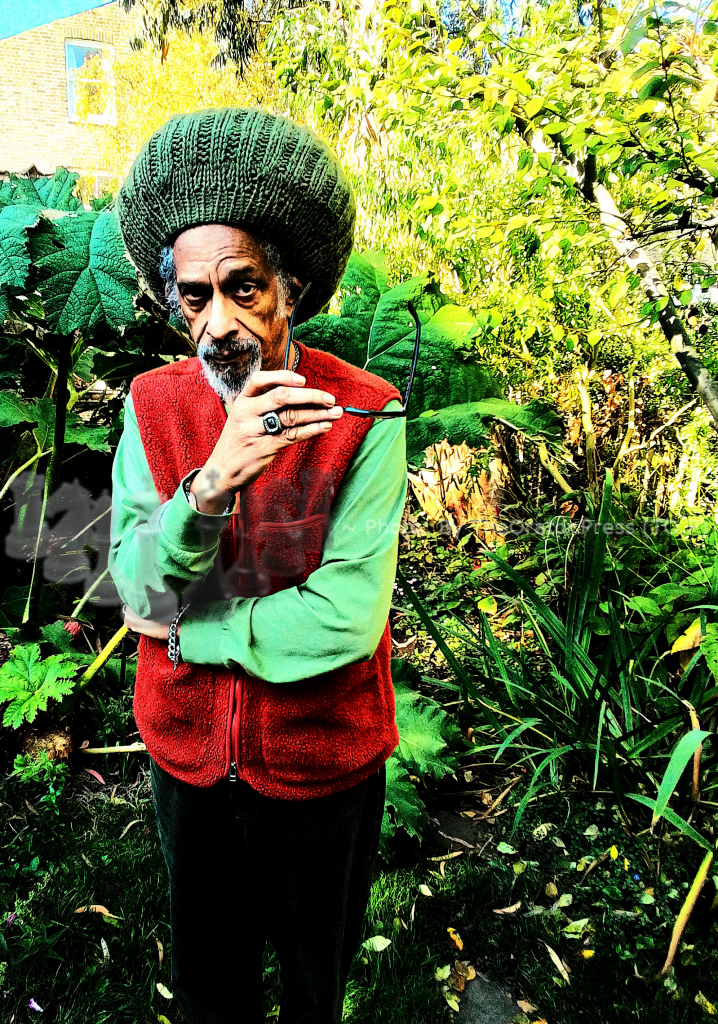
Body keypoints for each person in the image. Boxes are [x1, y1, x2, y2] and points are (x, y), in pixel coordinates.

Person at [108, 107, 407, 1024]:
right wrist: (210, 486)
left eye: (244, 287)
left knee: (315, 985)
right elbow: (135, 583)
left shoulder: (365, 412)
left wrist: (189, 633)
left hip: (323, 763)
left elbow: (345, 615)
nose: (219, 323)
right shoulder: (152, 406)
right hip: (189, 760)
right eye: (196, 297)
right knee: (210, 988)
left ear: (292, 287)